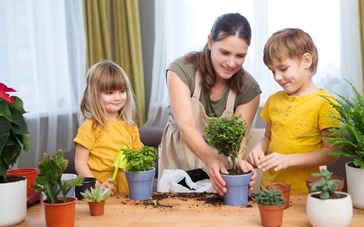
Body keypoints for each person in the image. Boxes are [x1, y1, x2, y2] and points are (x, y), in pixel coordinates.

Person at [158, 13, 261, 196]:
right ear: (210, 42)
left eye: (240, 56)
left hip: (219, 166)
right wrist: (210, 159)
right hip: (180, 154)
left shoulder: (249, 90)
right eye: (225, 52)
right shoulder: (180, 71)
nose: (231, 63)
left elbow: (237, 140)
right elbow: (186, 125)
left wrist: (238, 162)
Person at [246, 28, 340, 194]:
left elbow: (331, 153)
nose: (277, 77)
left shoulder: (326, 104)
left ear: (306, 61)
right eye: (273, 71)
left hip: (304, 193)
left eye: (283, 69)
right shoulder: (273, 101)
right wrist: (259, 149)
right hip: (269, 189)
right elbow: (268, 137)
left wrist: (288, 160)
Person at [74, 60, 143, 193]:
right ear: (94, 95)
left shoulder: (130, 127)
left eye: (122, 91)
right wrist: (96, 185)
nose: (117, 97)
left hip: (127, 190)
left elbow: (138, 155)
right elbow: (80, 163)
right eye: (109, 93)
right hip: (100, 192)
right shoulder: (90, 127)